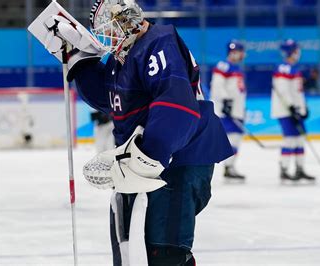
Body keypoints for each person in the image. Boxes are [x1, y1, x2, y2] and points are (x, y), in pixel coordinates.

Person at [41, 0, 233, 264]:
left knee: (164, 252)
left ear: (121, 23)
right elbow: (109, 98)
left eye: (107, 29)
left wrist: (146, 156)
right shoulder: (124, 58)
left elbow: (175, 104)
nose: (105, 37)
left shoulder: (157, 43)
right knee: (133, 248)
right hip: (153, 160)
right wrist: (78, 58)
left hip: (177, 160)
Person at [271, 39, 315, 182]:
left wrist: (302, 108)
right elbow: (283, 91)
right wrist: (292, 107)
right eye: (296, 50)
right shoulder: (283, 68)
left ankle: (299, 169)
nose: (298, 52)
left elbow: (297, 92)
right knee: (290, 139)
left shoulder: (294, 69)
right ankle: (284, 170)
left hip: (295, 111)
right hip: (286, 111)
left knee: (299, 140)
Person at [210, 40, 247, 180]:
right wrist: (225, 102)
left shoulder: (236, 68)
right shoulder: (223, 65)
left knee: (236, 139)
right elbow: (217, 86)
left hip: (236, 110)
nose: (242, 55)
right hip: (227, 111)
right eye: (240, 52)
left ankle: (230, 167)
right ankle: (229, 167)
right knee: (233, 138)